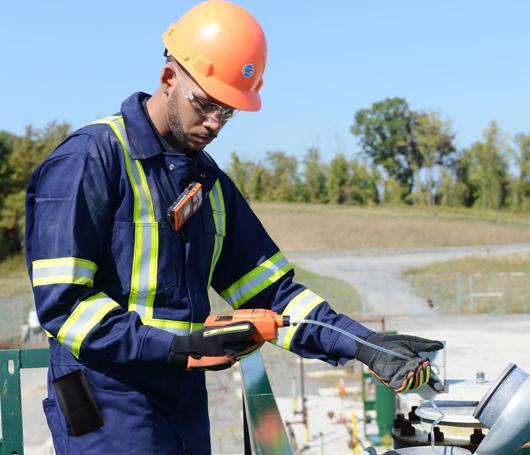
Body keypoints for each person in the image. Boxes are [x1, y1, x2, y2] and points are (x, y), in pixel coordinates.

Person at [25, 1, 443, 453]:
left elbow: (273, 297)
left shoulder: (208, 184)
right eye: (205, 104)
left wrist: (363, 344)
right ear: (169, 79)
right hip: (105, 401)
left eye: (227, 112)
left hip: (181, 399)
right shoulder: (90, 159)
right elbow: (64, 306)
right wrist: (174, 347)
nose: (214, 123)